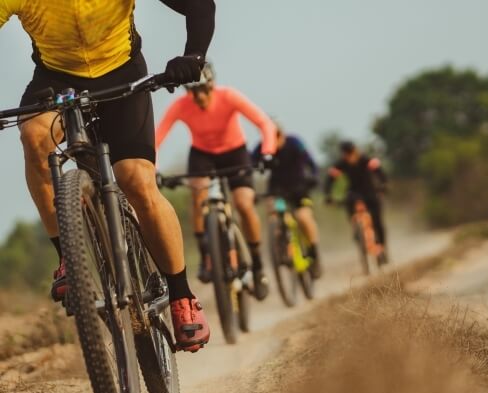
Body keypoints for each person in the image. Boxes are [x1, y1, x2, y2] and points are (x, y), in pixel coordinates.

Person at [0, 0, 216, 353]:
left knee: (136, 181)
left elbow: (199, 5)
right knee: (33, 138)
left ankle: (182, 296)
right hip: (56, 79)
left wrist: (193, 56)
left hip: (122, 72)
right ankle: (67, 257)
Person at [155, 63, 277, 300]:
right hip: (203, 155)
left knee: (243, 203)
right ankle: (205, 256)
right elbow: (156, 138)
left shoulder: (229, 96)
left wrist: (268, 151)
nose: (198, 96)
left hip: (234, 152)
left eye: (203, 90)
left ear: (211, 86)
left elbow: (264, 123)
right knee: (198, 194)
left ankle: (258, 264)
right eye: (192, 91)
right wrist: (155, 169)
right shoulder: (180, 106)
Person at [253, 123, 322, 279]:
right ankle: (281, 245)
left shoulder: (294, 142)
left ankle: (313, 252)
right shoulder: (261, 148)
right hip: (277, 190)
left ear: (281, 134)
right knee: (273, 213)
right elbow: (250, 165)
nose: (271, 140)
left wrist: (314, 176)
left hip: (299, 188)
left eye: (275, 135)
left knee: (303, 218)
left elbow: (309, 160)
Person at [325, 141, 388, 261]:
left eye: (350, 153)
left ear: (355, 151)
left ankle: (382, 248)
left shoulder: (365, 160)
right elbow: (330, 179)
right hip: (353, 194)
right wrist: (328, 195)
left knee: (377, 222)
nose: (348, 156)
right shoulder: (341, 164)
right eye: (346, 154)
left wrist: (383, 185)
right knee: (350, 206)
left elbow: (378, 171)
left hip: (369, 192)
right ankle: (357, 231)